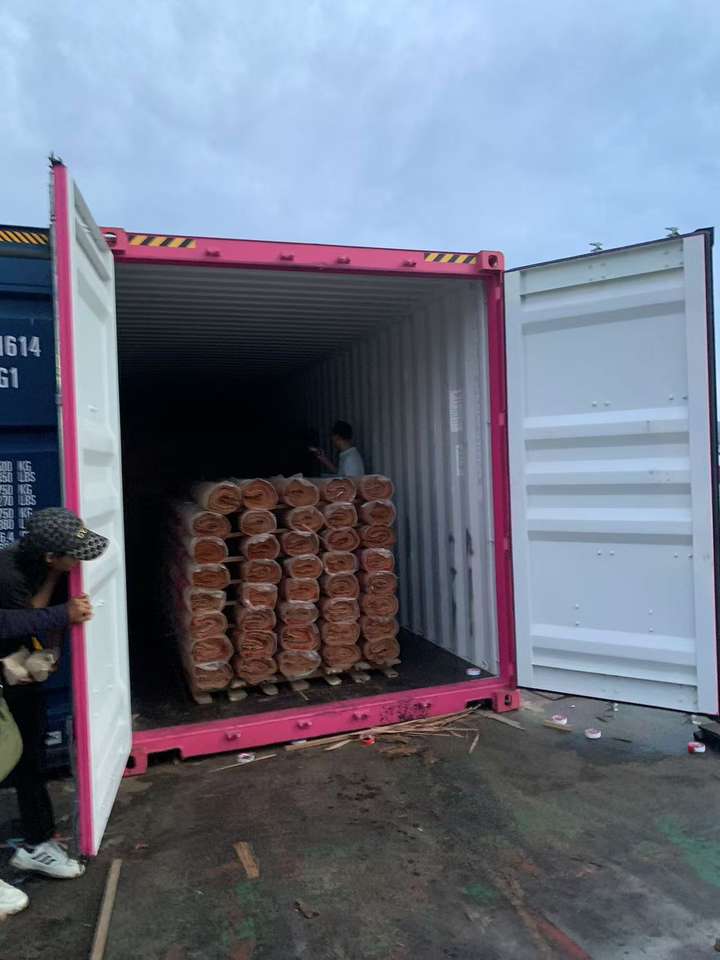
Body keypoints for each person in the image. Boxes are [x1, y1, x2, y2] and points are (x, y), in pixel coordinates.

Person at [0, 507, 107, 897]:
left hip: (18, 672)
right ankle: (35, 845)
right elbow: (9, 622)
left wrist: (54, 644)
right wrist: (64, 613)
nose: (79, 560)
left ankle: (37, 837)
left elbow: (35, 612)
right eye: (72, 555)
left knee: (30, 754)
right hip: (6, 673)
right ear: (50, 555)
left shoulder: (42, 566)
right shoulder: (7, 573)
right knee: (18, 755)